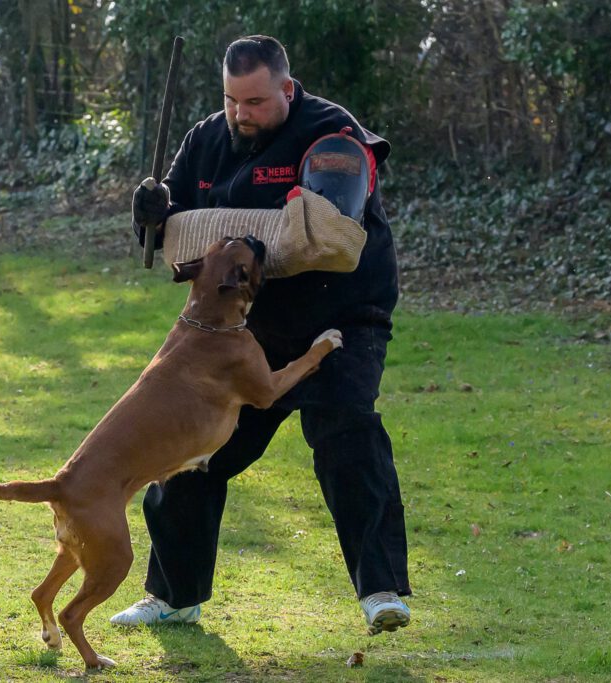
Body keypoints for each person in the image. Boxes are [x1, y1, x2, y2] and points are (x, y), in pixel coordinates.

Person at [115, 35, 411, 635]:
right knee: (190, 453)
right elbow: (168, 241)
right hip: (242, 331)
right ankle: (174, 595)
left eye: (254, 102)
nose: (240, 115)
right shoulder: (204, 140)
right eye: (231, 101)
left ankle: (381, 591)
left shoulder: (333, 135)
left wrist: (216, 230)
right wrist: (147, 214)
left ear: (286, 87)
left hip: (341, 315)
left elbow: (322, 239)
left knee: (345, 434)